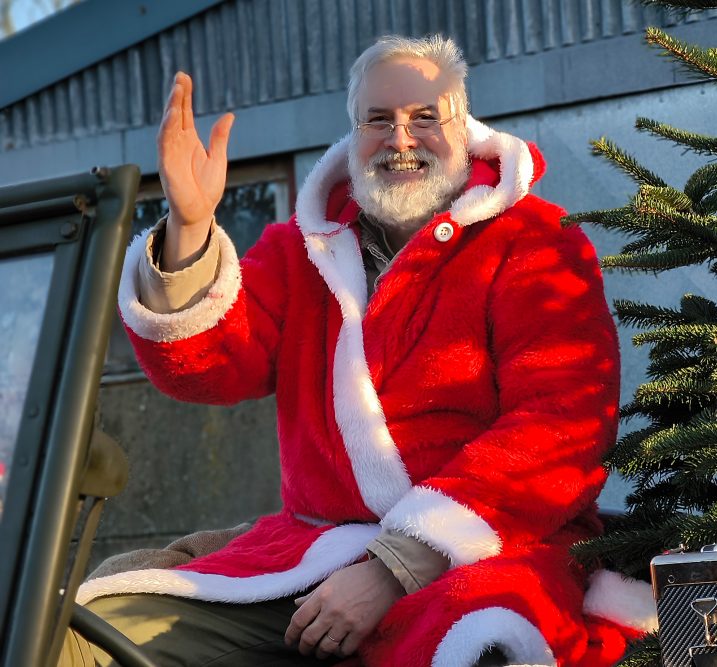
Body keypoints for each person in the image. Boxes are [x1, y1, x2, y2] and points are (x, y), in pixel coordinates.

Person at [63, 35, 655, 666]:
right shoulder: (302, 249)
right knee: (89, 635)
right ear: (352, 132)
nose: (401, 138)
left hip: (484, 552)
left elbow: (559, 424)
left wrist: (397, 564)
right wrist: (188, 229)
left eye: (425, 117)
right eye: (378, 120)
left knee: (474, 641)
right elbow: (211, 368)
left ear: (465, 126)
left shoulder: (534, 241)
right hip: (312, 551)